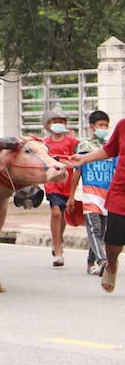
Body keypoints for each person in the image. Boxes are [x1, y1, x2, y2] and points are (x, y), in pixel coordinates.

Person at [69, 117, 125, 293]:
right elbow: (110, 149)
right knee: (113, 242)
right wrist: (84, 159)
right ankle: (111, 265)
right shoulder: (123, 126)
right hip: (121, 191)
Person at [70, 110, 113, 275]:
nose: (103, 128)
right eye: (100, 125)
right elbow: (77, 172)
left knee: (101, 232)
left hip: (106, 196)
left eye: (106, 125)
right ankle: (103, 261)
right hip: (89, 194)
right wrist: (71, 197)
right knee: (94, 229)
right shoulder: (84, 147)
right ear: (92, 127)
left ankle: (90, 262)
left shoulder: (110, 147)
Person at [41, 107, 79, 267]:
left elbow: (79, 159)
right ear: (49, 124)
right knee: (56, 212)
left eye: (61, 121)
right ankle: (57, 251)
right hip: (52, 183)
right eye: (55, 121)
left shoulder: (73, 142)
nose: (58, 124)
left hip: (68, 184)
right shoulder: (44, 143)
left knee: (63, 214)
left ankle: (58, 240)